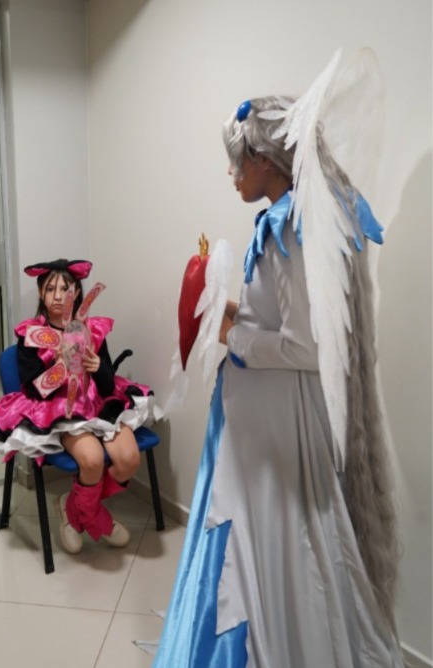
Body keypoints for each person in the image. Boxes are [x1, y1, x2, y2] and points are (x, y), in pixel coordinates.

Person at [153, 53, 404, 667]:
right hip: (259, 419)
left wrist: (233, 338)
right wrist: (228, 309)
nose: (231, 174)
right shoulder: (284, 220)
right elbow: (280, 319)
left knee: (276, 544)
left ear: (264, 160)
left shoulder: (292, 226)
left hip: (277, 424)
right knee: (262, 540)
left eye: (236, 162)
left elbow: (304, 348)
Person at [0, 258, 156, 555]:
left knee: (129, 460)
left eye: (65, 289)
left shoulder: (91, 330)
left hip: (98, 403)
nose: (58, 296)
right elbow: (33, 391)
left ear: (76, 293)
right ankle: (95, 517)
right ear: (41, 293)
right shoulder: (31, 336)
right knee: (91, 460)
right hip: (59, 409)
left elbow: (108, 385)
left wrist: (97, 367)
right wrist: (59, 368)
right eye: (50, 289)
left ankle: (71, 506)